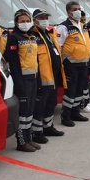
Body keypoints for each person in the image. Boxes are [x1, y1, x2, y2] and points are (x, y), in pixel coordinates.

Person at [5, 9, 39, 152]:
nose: (25, 23)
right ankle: (21, 141)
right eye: (22, 21)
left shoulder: (32, 36)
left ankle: (29, 138)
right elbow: (13, 63)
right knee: (23, 112)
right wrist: (19, 84)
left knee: (30, 110)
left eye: (27, 21)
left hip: (33, 78)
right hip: (22, 80)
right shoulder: (14, 38)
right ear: (16, 23)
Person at [31, 9, 67, 144]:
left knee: (51, 103)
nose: (45, 20)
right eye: (41, 18)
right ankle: (37, 131)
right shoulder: (32, 35)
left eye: (46, 17)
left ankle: (48, 126)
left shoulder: (49, 33)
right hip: (42, 77)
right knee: (39, 105)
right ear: (34, 20)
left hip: (54, 75)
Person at [56, 2, 90, 127]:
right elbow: (58, 46)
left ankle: (75, 112)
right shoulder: (63, 27)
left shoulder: (83, 25)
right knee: (70, 91)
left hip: (83, 62)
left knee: (79, 89)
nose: (78, 11)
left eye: (79, 9)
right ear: (68, 12)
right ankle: (66, 116)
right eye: (75, 9)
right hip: (71, 64)